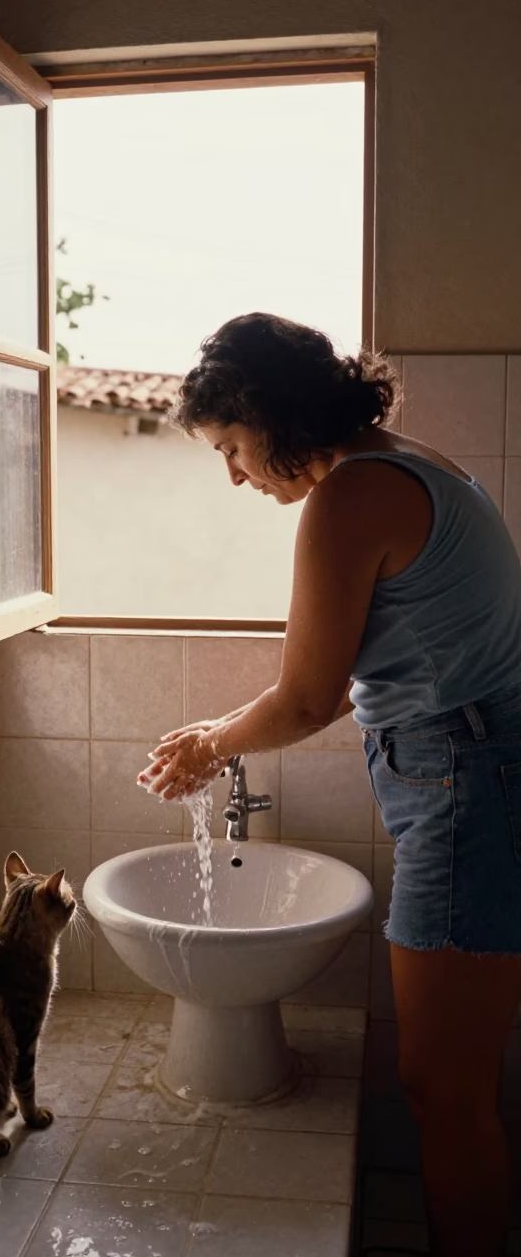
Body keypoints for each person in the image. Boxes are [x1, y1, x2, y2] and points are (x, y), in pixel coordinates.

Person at [138, 311, 521, 1257]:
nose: (233, 473)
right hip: (479, 770)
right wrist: (221, 732)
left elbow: (310, 697)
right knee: (456, 1082)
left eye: (232, 445)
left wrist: (214, 743)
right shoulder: (415, 466)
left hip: (468, 785)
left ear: (268, 414)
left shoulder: (352, 496)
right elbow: (354, 678)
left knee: (444, 1087)